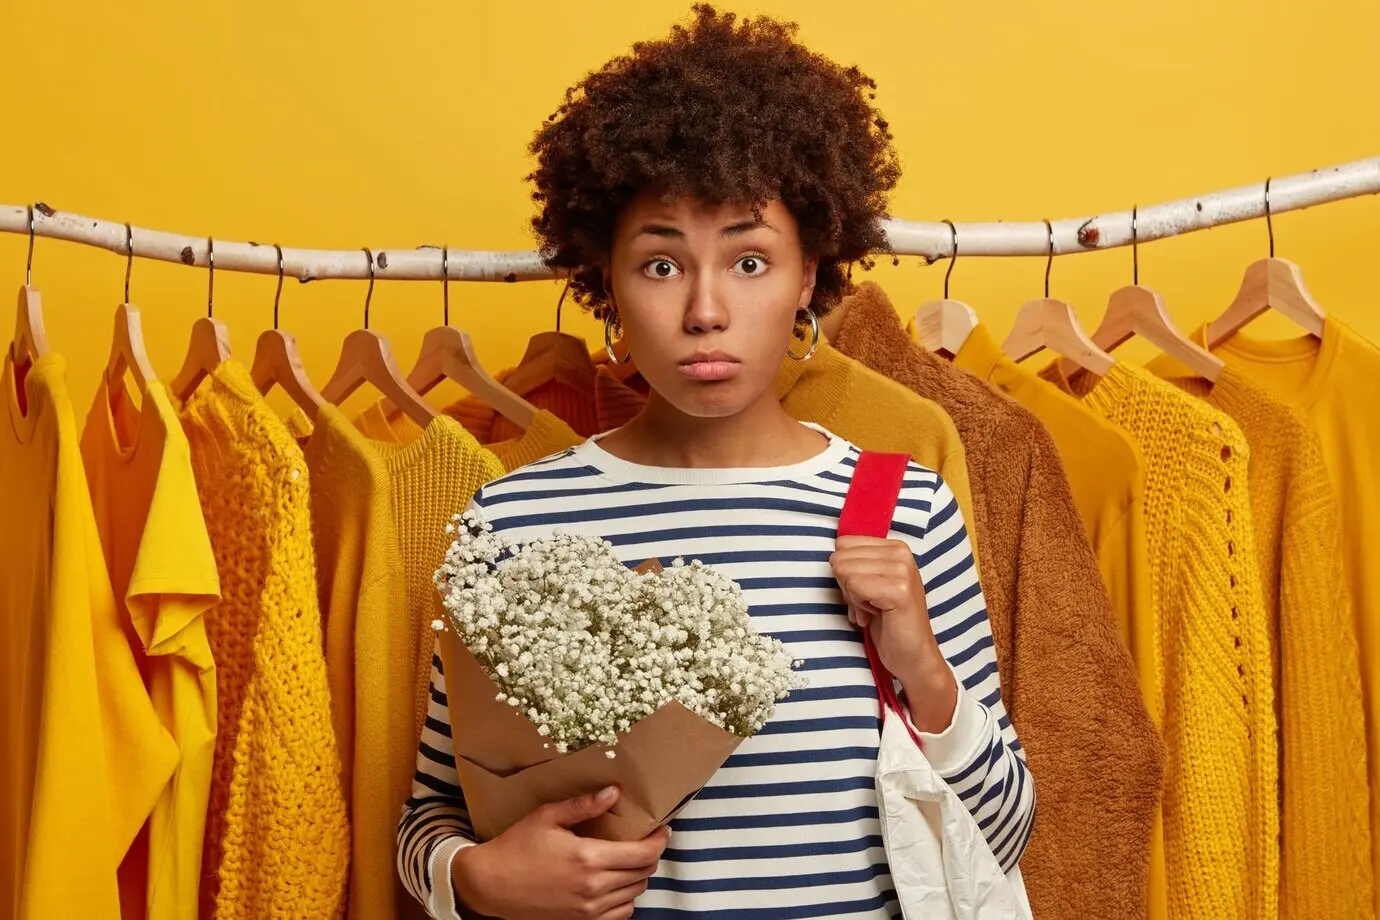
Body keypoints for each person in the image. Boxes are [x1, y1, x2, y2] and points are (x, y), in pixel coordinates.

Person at [398, 7, 1034, 918]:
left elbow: (1005, 832)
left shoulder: (901, 507)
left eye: (748, 260)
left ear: (808, 275)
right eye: (661, 266)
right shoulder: (513, 521)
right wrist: (478, 878)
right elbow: (427, 816)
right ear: (605, 280)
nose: (704, 310)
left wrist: (924, 669)